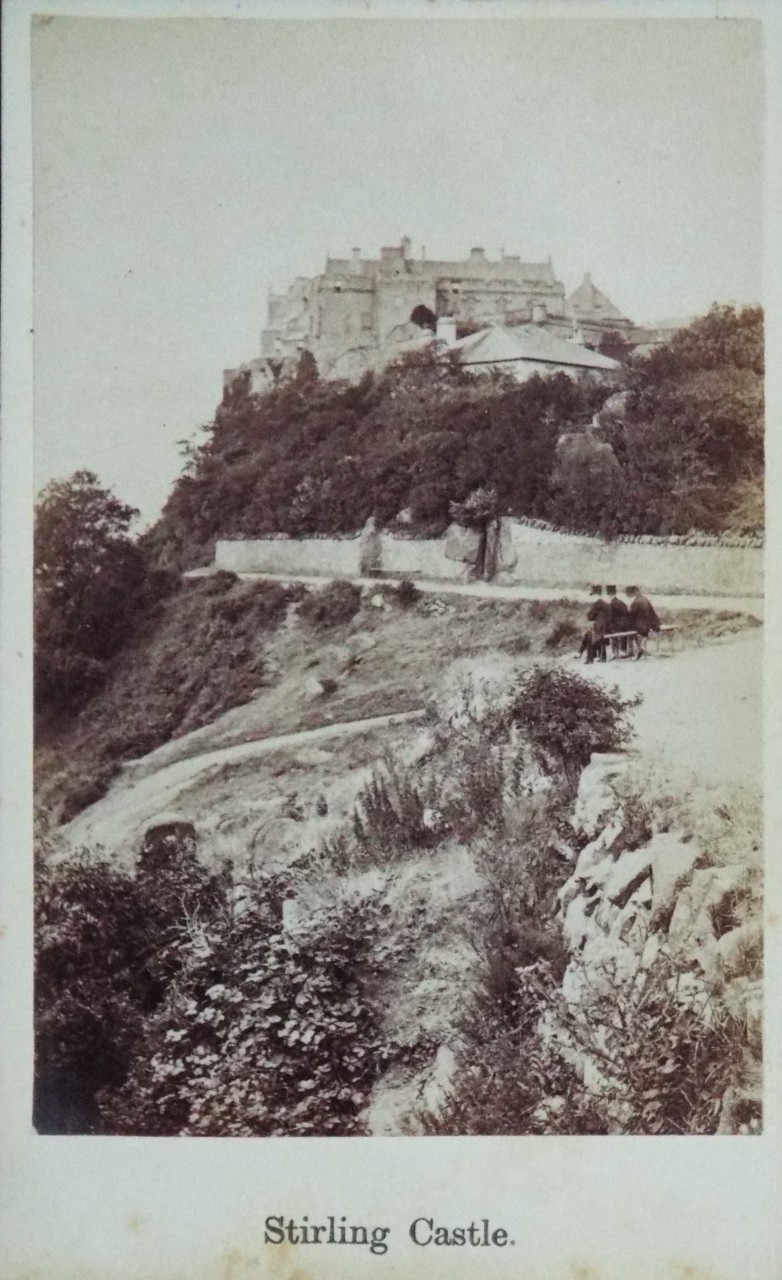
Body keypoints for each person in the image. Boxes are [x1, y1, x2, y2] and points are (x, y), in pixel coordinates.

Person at [627, 585, 661, 658]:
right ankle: (642, 646)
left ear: (634, 592)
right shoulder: (645, 599)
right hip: (647, 625)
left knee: (631, 634)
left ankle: (639, 648)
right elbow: (652, 612)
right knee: (644, 635)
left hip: (638, 626)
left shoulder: (636, 602)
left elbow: (631, 614)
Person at [585, 584, 610, 663]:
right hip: (607, 628)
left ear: (596, 594)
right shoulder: (607, 604)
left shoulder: (597, 603)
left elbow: (590, 617)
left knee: (588, 637)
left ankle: (590, 659)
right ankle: (603, 657)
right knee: (599, 639)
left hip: (599, 629)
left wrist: (590, 616)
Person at [607, 584, 631, 658]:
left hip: (617, 627)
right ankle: (622, 651)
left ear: (609, 594)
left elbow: (610, 618)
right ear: (615, 593)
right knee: (622, 631)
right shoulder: (622, 603)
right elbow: (627, 614)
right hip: (625, 626)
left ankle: (614, 653)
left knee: (610, 630)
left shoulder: (611, 604)